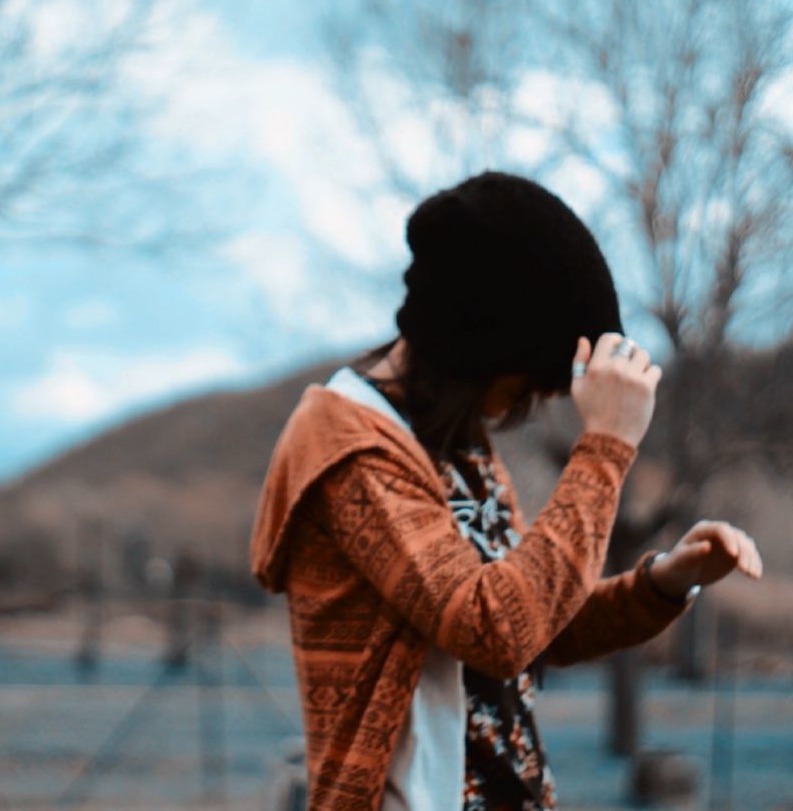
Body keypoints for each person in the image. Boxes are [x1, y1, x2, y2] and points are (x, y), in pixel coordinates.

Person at [248, 171, 763, 811]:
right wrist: (605, 449)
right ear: (479, 347)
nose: (526, 402)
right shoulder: (349, 447)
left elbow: (537, 628)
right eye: (528, 380)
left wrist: (661, 581)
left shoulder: (453, 441)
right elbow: (496, 629)